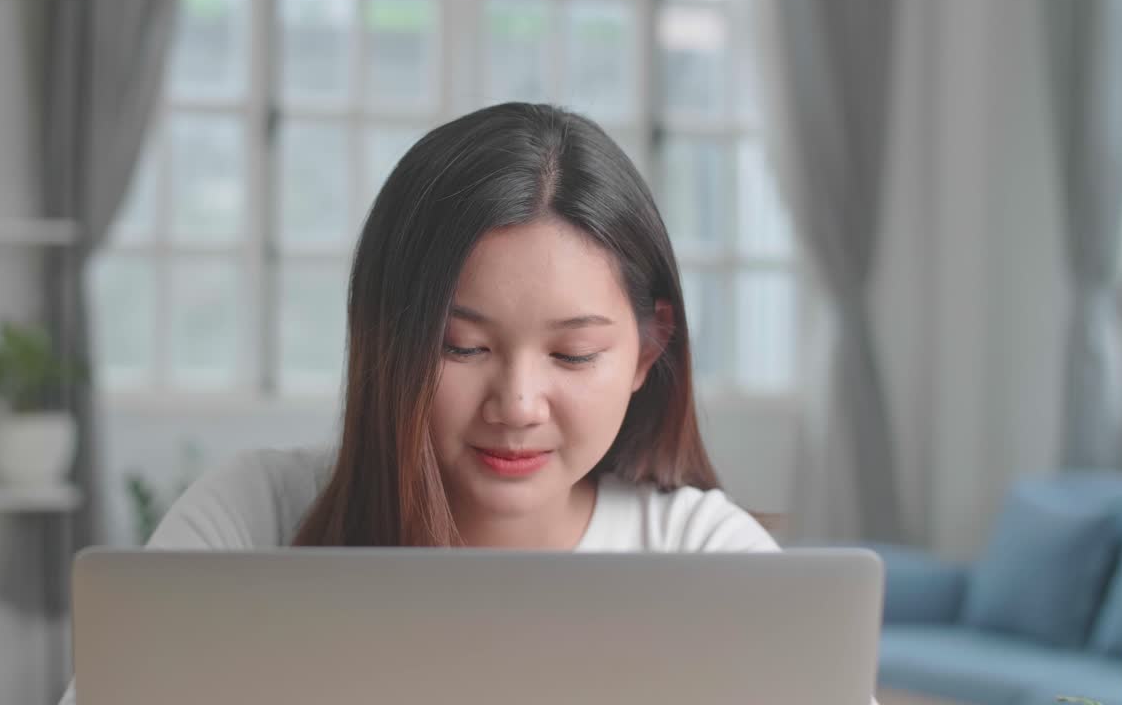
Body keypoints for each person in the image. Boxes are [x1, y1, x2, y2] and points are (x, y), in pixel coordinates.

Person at [57, 102, 779, 705]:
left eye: (572, 355)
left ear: (647, 354)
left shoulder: (705, 555)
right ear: (385, 342)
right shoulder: (254, 520)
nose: (518, 404)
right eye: (461, 347)